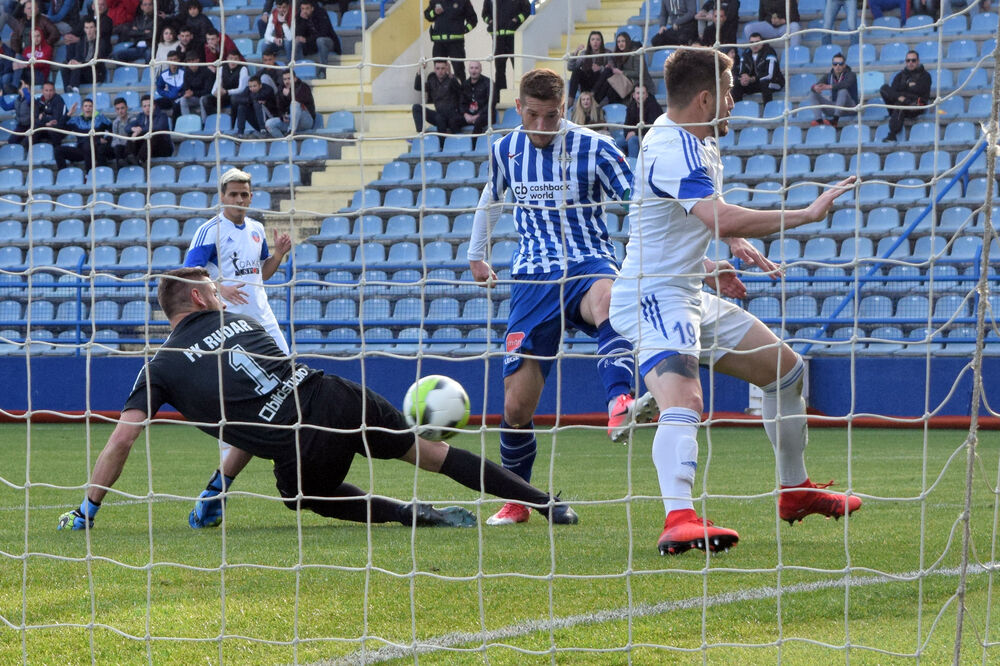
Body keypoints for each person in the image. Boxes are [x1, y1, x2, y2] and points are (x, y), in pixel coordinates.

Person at [56, 267, 580, 533]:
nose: (217, 295)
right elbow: (252, 402)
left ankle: (408, 515)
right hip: (333, 392)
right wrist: (219, 482)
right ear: (198, 299)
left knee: (301, 494)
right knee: (432, 454)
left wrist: (87, 509)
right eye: (213, 290)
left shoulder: (159, 367)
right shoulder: (241, 322)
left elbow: (125, 437)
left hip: (300, 439)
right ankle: (548, 504)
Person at [608, 48, 861, 556]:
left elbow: (684, 222)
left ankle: (795, 490)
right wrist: (807, 215)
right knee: (687, 402)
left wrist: (719, 255)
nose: (732, 101)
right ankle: (678, 518)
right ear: (705, 98)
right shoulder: (672, 147)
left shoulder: (699, 143)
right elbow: (719, 217)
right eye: (727, 93)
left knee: (787, 372)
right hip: (651, 296)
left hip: (686, 289)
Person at [467, 68, 658, 526]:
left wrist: (642, 254)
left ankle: (619, 403)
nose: (541, 126)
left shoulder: (596, 147)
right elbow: (490, 200)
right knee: (516, 405)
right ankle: (517, 500)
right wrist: (477, 254)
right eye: (532, 115)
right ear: (518, 108)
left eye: (551, 117)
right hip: (532, 278)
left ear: (565, 109)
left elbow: (639, 203)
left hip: (588, 261)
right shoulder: (505, 149)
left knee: (607, 302)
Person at [183, 168, 291, 354]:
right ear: (222, 197)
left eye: (243, 194)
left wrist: (278, 255)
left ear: (251, 197)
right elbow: (189, 272)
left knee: (285, 361)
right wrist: (219, 288)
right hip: (226, 318)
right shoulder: (209, 230)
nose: (239, 200)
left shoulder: (256, 229)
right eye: (233, 194)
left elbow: (262, 273)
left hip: (261, 315)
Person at [481, 0, 530, 101]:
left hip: (514, 37)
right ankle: (500, 96)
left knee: (517, 67)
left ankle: (523, 94)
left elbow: (526, 11)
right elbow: (484, 14)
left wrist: (516, 20)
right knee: (499, 70)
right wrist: (490, 20)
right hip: (498, 39)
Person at [879, 50, 930, 142]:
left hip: (916, 106)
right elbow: (893, 90)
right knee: (884, 88)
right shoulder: (900, 75)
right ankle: (903, 102)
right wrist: (906, 90)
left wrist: (902, 92)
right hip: (904, 103)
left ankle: (892, 135)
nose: (910, 63)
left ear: (918, 61)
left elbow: (919, 91)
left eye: (913, 60)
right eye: (908, 60)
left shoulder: (925, 76)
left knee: (899, 104)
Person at [593, 31, 653, 105]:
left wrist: (621, 72)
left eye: (623, 41)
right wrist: (612, 67)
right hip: (624, 82)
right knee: (608, 77)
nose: (620, 44)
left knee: (609, 80)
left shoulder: (635, 53)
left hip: (637, 83)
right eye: (618, 42)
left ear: (627, 42)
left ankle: (593, 97)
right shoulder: (619, 54)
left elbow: (639, 73)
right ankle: (594, 100)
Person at [423, 0, 477, 82]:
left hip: (456, 43)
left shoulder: (463, 1)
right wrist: (434, 12)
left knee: (459, 71)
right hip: (439, 43)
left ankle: (461, 93)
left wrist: (464, 30)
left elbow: (473, 20)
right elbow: (427, 15)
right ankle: (440, 94)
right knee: (439, 72)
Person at [55, 97, 112, 170]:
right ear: (82, 108)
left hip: (97, 150)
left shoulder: (100, 119)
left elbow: (112, 129)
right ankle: (64, 175)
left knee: (88, 145)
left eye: (90, 106)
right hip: (81, 151)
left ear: (93, 108)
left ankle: (88, 174)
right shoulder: (76, 120)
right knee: (58, 150)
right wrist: (68, 114)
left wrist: (106, 139)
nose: (88, 108)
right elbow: (59, 128)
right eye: (86, 106)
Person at [802, 52, 857, 127]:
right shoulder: (829, 76)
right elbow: (817, 85)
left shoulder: (851, 74)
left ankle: (835, 120)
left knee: (842, 91)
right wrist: (815, 87)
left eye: (840, 64)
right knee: (813, 93)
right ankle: (819, 121)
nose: (837, 66)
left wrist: (829, 86)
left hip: (850, 108)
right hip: (834, 107)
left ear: (844, 65)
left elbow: (846, 84)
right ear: (832, 65)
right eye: (835, 64)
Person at [411, 59, 463, 134]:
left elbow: (459, 89)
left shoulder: (452, 79)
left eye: (443, 68)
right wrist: (421, 70)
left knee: (440, 118)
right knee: (416, 108)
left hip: (452, 117)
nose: (440, 71)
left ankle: (442, 142)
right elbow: (418, 87)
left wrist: (450, 74)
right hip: (439, 116)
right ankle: (421, 134)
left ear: (446, 68)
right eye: (438, 68)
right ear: (434, 69)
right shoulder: (432, 81)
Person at [731, 32, 784, 104]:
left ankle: (767, 112)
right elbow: (742, 71)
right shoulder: (746, 53)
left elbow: (770, 75)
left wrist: (753, 79)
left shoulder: (769, 52)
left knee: (765, 83)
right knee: (737, 84)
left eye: (757, 42)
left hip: (774, 82)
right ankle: (738, 110)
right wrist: (744, 78)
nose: (754, 45)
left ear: (762, 43)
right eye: (752, 42)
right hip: (756, 83)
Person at [293, 0, 341, 79]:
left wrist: (307, 40)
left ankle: (323, 70)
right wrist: (303, 20)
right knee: (297, 41)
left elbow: (324, 32)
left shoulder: (321, 13)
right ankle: (299, 70)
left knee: (320, 40)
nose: (304, 11)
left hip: (328, 41)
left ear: (312, 8)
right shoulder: (299, 16)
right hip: (312, 44)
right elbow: (298, 34)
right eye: (303, 8)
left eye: (307, 8)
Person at [63, 17, 110, 93]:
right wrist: (73, 61)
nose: (89, 31)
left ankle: (74, 88)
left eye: (91, 27)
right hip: (82, 72)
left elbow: (98, 61)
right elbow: (78, 56)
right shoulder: (81, 42)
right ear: (84, 29)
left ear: (95, 28)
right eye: (87, 28)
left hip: (95, 73)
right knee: (64, 66)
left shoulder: (101, 42)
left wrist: (81, 64)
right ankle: (68, 91)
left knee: (78, 66)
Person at [10, 80, 66, 145]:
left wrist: (43, 118)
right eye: (46, 90)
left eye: (51, 90)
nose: (48, 93)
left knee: (51, 130)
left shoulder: (58, 100)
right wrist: (45, 123)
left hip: (58, 129)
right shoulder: (39, 101)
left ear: (54, 91)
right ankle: (25, 149)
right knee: (31, 131)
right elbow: (36, 118)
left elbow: (55, 119)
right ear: (42, 91)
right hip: (43, 127)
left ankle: (55, 149)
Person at [265, 69, 315, 137]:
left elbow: (302, 100)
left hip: (305, 120)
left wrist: (289, 94)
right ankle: (284, 143)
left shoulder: (303, 86)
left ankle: (291, 131)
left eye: (289, 78)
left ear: (295, 79)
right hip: (290, 119)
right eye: (285, 79)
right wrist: (282, 116)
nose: (287, 81)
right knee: (269, 124)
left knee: (295, 103)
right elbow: (279, 108)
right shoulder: (281, 89)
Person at [201, 52, 249, 122]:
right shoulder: (222, 68)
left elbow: (241, 89)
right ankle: (216, 121)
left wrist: (227, 92)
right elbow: (216, 84)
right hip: (224, 95)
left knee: (234, 99)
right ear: (227, 59)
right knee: (205, 99)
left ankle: (233, 122)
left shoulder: (243, 69)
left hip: (236, 95)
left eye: (235, 59)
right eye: (231, 58)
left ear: (239, 60)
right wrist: (215, 92)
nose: (233, 61)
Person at [125, 93, 172, 164]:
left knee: (154, 134)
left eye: (149, 105)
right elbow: (127, 127)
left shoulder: (162, 116)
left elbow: (158, 127)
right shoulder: (141, 117)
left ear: (154, 106)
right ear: (142, 108)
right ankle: (129, 157)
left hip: (163, 148)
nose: (147, 108)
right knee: (131, 133)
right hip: (149, 149)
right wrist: (134, 129)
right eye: (144, 106)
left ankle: (139, 160)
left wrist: (140, 130)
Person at [566, 31, 610, 102]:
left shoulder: (607, 53)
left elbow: (611, 71)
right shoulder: (584, 53)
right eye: (592, 39)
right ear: (589, 42)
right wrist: (575, 52)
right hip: (586, 85)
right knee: (577, 70)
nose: (595, 42)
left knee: (607, 71)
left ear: (601, 42)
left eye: (597, 39)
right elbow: (571, 68)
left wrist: (600, 68)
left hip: (600, 87)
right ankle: (571, 99)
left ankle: (592, 94)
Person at [623, 85, 663, 157]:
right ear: (633, 95)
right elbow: (626, 125)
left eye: (643, 93)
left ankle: (634, 166)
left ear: (647, 95)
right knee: (617, 143)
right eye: (638, 93)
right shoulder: (631, 107)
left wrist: (634, 133)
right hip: (637, 135)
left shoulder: (653, 106)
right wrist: (627, 134)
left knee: (633, 140)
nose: (640, 96)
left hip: (651, 137)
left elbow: (652, 126)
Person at [175, 49, 213, 118]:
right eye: (189, 61)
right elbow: (186, 87)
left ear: (198, 60)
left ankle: (204, 122)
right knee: (183, 100)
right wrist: (187, 93)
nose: (191, 63)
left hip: (206, 97)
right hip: (194, 97)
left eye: (193, 60)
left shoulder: (206, 72)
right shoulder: (187, 72)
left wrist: (193, 93)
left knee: (203, 99)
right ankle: (187, 121)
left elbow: (208, 90)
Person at [460, 60, 494, 134]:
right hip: (468, 115)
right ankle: (458, 143)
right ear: (468, 70)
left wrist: (477, 116)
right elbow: (461, 103)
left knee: (479, 121)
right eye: (471, 68)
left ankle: (474, 144)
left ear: (481, 69)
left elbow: (491, 103)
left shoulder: (488, 83)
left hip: (484, 115)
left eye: (476, 68)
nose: (474, 71)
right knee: (453, 120)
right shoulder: (465, 84)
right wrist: (465, 114)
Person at [154, 49, 185, 116]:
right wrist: (168, 94)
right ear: (167, 60)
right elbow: (159, 88)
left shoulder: (184, 72)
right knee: (154, 104)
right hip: (170, 99)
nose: (173, 62)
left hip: (182, 98)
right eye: (171, 60)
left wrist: (181, 94)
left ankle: (175, 126)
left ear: (178, 60)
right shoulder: (164, 74)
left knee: (176, 106)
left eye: (175, 59)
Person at [106, 96, 132, 167]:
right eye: (118, 109)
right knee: (117, 148)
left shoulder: (133, 120)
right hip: (120, 147)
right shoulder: (115, 122)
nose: (120, 111)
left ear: (127, 107)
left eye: (122, 108)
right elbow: (115, 138)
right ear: (115, 110)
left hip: (130, 146)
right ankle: (120, 168)